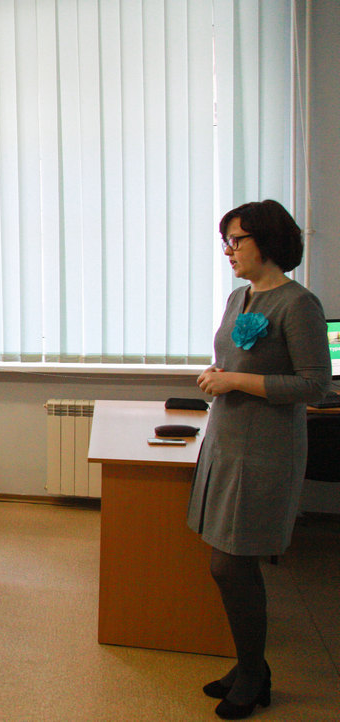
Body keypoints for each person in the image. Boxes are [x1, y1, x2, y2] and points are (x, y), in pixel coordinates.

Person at [188, 200, 331, 720]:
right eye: (225, 241)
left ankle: (253, 673)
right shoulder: (238, 297)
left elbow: (315, 385)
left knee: (231, 563)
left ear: (267, 241)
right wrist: (218, 373)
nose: (228, 251)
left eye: (236, 240)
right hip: (227, 440)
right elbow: (233, 361)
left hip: (266, 450)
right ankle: (248, 665)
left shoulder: (299, 304)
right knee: (227, 562)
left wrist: (235, 380)